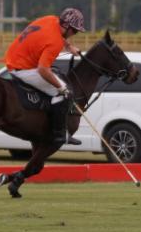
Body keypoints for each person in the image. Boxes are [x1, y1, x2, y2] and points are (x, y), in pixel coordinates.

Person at [5, 8, 84, 147]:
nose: (74, 34)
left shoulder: (51, 19)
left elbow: (55, 36)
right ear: (67, 26)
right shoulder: (55, 42)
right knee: (64, 93)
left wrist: (69, 46)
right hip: (23, 69)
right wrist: (61, 88)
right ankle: (59, 134)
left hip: (13, 57)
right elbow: (43, 70)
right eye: (75, 31)